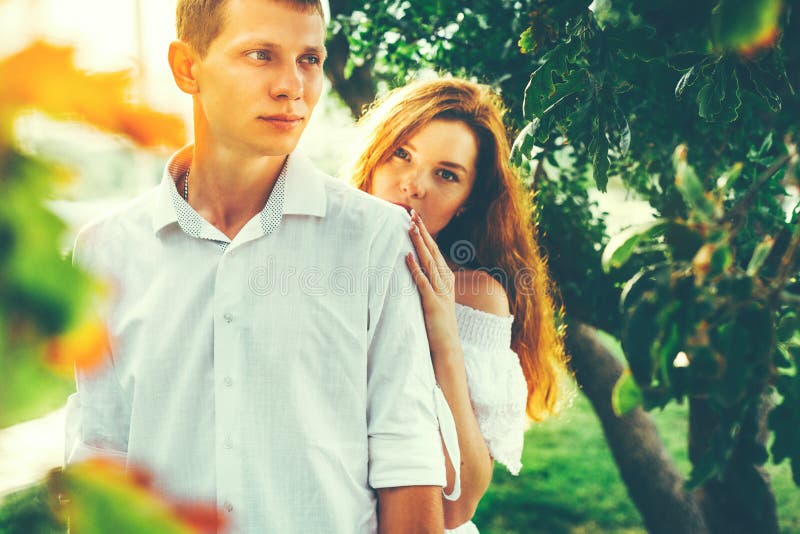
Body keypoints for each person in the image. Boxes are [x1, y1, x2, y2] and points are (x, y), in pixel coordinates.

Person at [64, 1, 455, 532]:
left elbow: (407, 455)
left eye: (309, 59)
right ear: (187, 68)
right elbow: (99, 454)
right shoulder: (105, 251)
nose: (292, 86)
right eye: (260, 54)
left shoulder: (378, 241)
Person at [350, 78, 570, 533]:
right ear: (374, 157)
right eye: (402, 154)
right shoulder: (309, 259)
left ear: (467, 203)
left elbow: (458, 505)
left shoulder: (474, 294)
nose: (413, 186)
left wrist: (444, 336)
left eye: (445, 174)